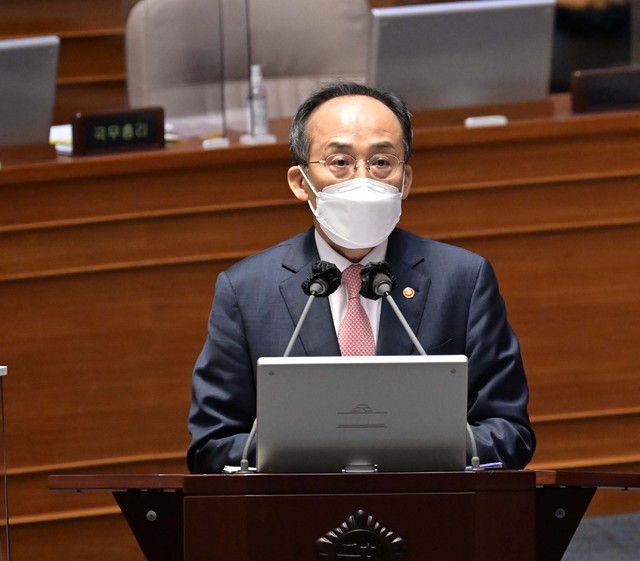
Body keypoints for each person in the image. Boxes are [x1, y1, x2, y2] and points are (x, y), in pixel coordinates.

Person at [187, 81, 535, 474]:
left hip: (427, 510)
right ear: (301, 182)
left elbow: (509, 433)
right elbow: (212, 444)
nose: (362, 179)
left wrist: (406, 451)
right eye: (340, 163)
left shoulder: (463, 280)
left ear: (405, 181)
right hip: (299, 515)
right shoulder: (247, 291)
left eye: (381, 163)